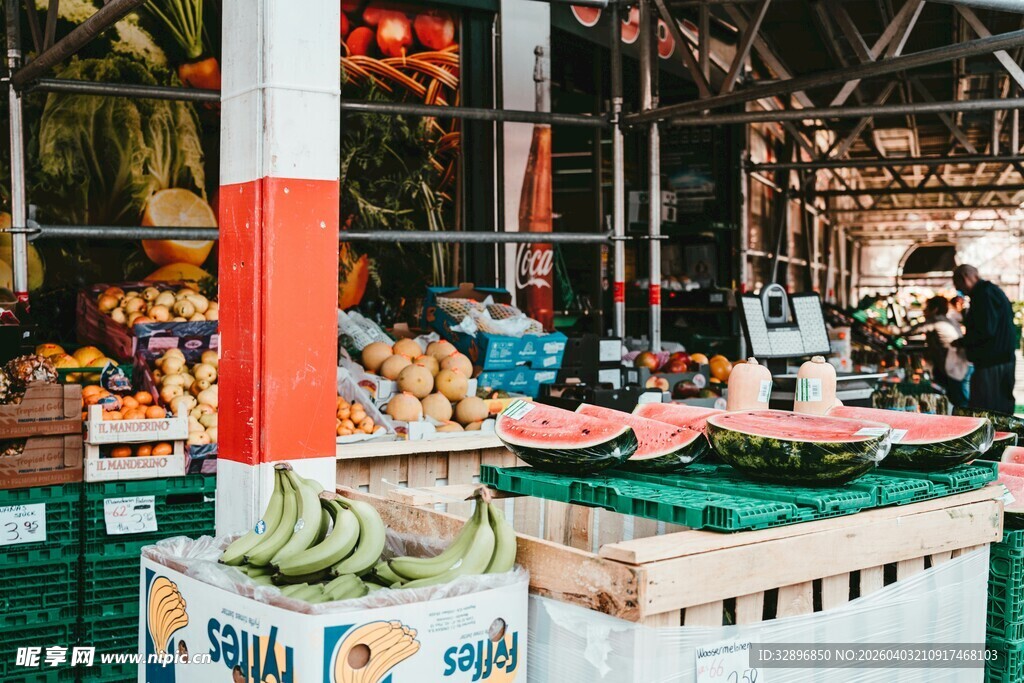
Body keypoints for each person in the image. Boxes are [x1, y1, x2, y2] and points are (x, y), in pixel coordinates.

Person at [952, 264, 1017, 413]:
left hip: (992, 363)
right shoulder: (990, 291)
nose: (960, 291)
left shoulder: (983, 294)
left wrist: (963, 342)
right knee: (998, 407)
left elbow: (985, 330)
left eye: (959, 286)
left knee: (989, 411)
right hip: (1000, 360)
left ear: (964, 278)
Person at [906, 296, 969, 408]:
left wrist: (877, 327)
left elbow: (907, 331)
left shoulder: (936, 321)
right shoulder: (949, 320)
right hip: (959, 365)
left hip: (953, 367)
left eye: (927, 308)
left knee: (959, 402)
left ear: (934, 309)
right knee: (956, 400)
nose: (924, 311)